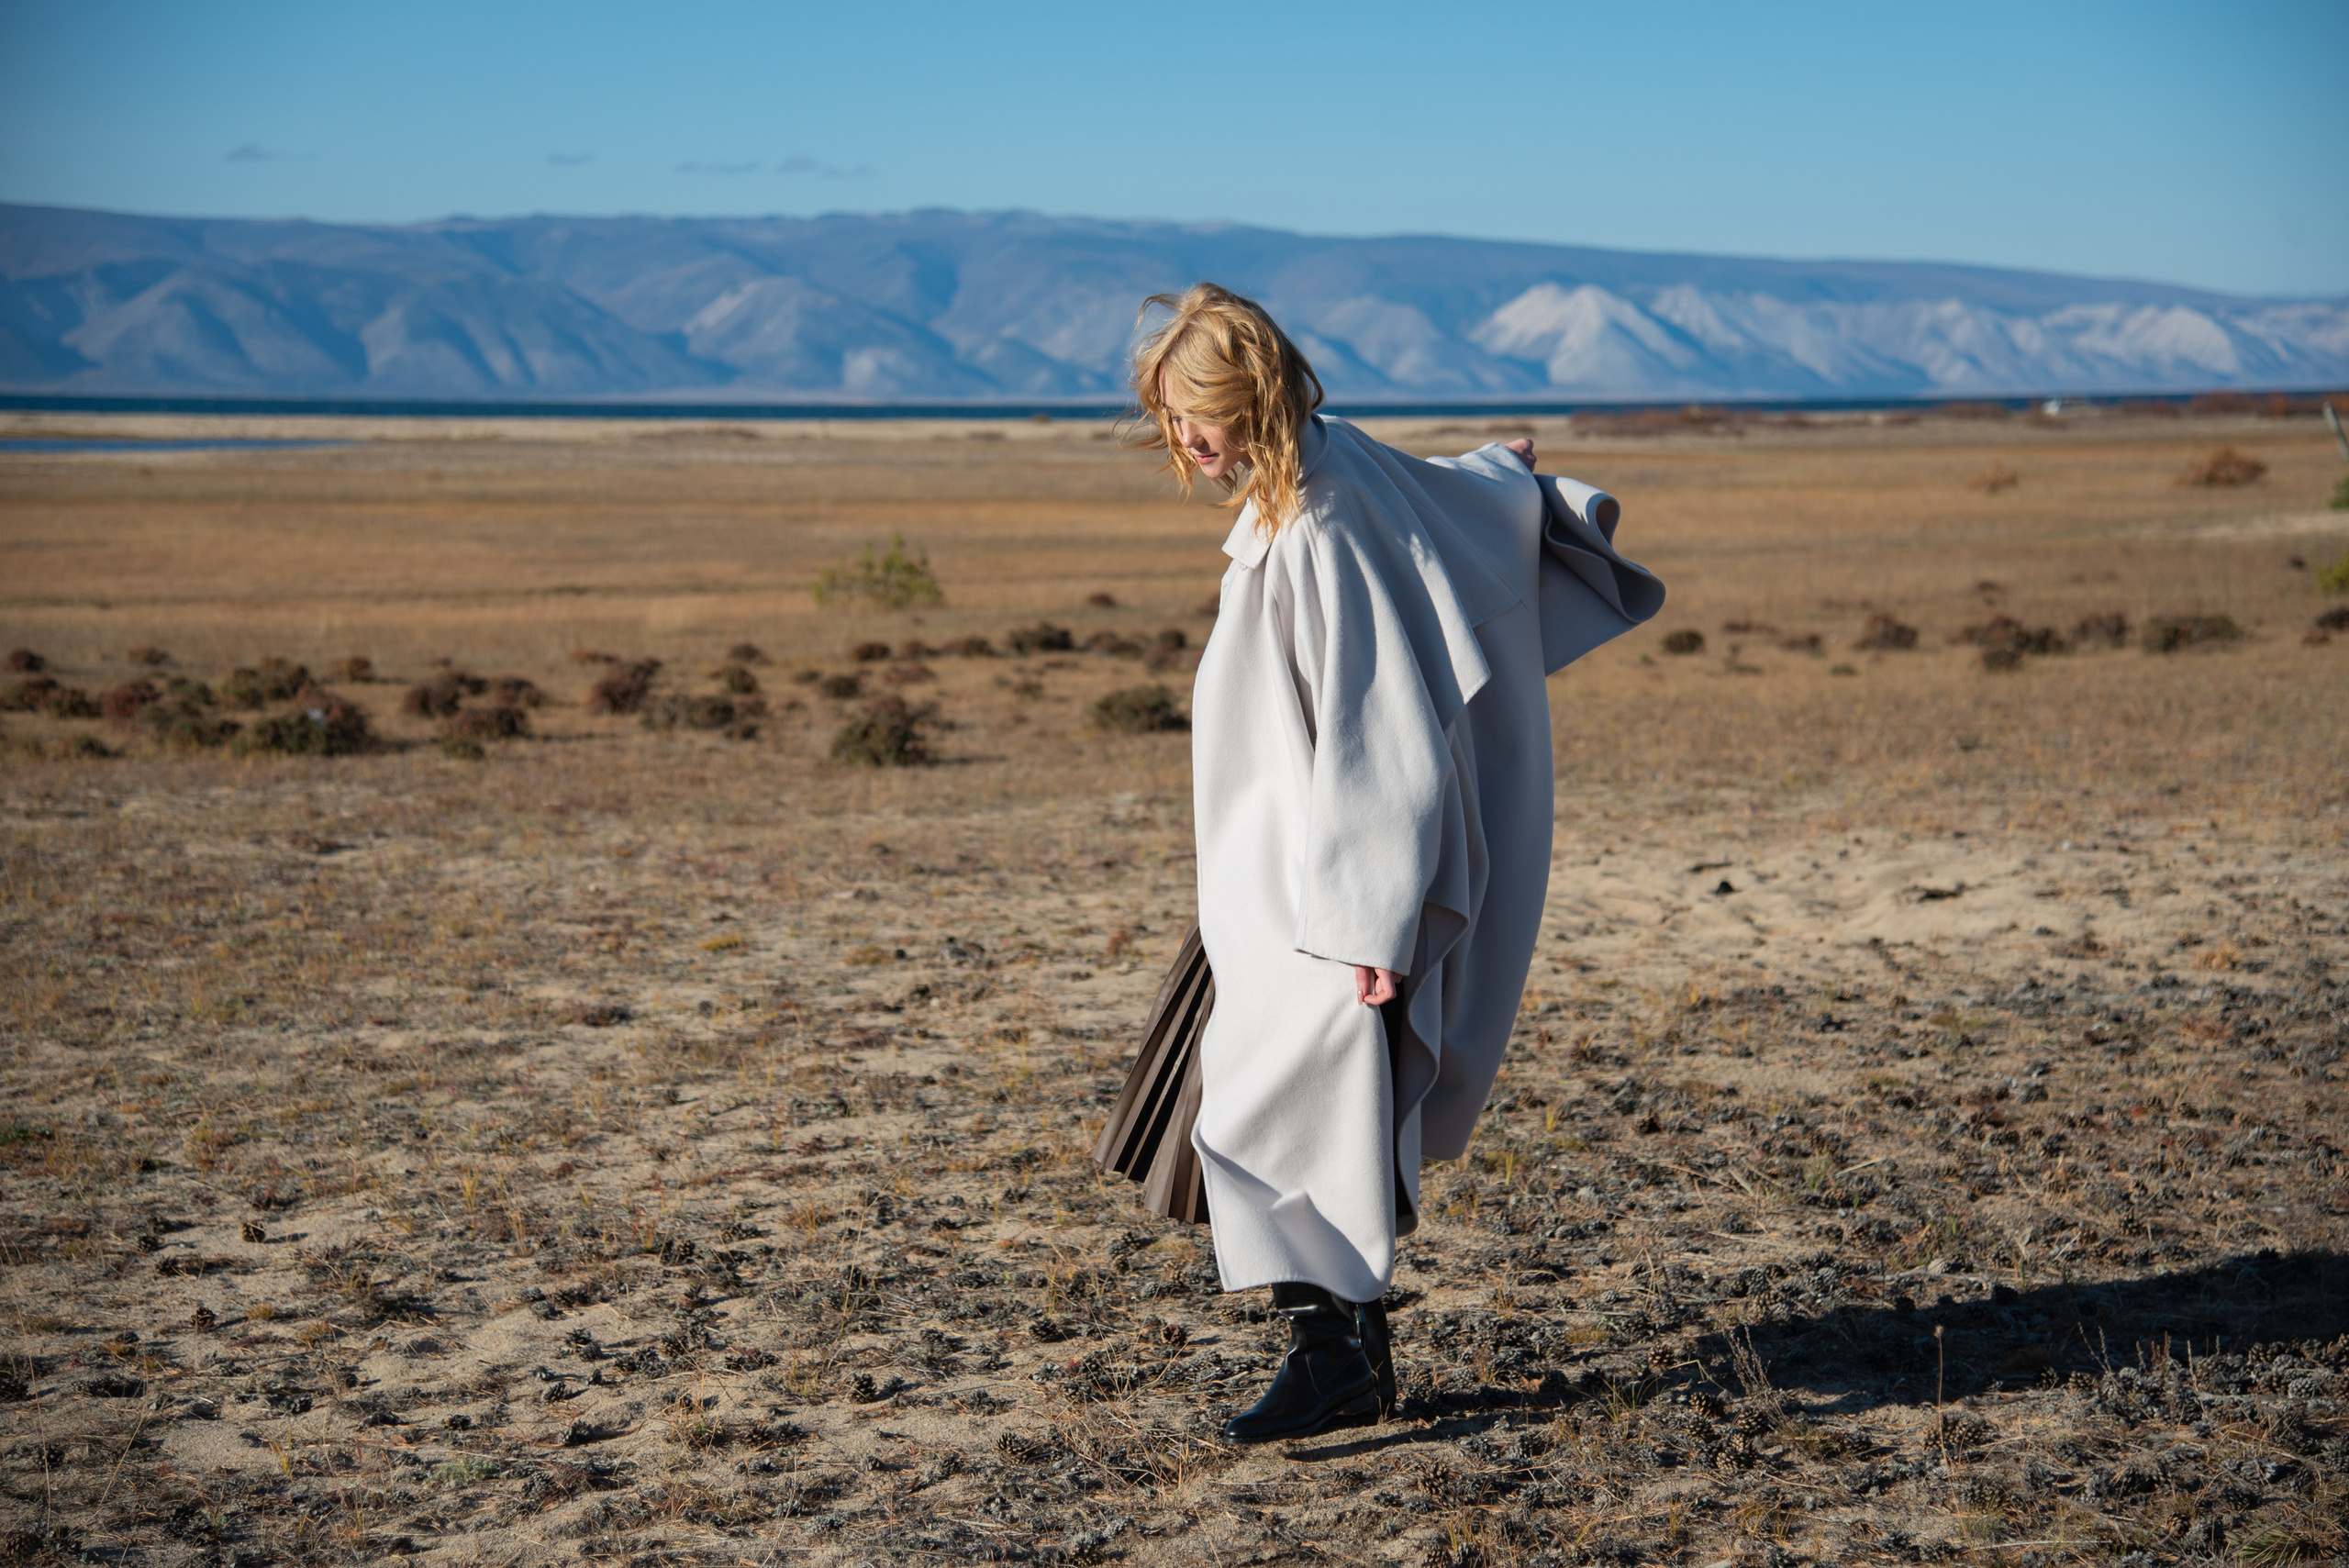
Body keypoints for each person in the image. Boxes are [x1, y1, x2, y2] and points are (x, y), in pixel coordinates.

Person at [1128, 283, 1664, 1444]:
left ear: (1256, 398)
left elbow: (1382, 734)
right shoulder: (1324, 470)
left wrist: (1369, 924)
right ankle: (1344, 1352)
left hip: (1322, 892)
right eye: (1172, 419)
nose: (1187, 441)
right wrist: (1501, 472)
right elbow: (1437, 484)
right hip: (1278, 872)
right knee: (1290, 1108)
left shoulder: (1318, 521)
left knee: (1277, 1110)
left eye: (1200, 413)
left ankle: (1334, 1359)